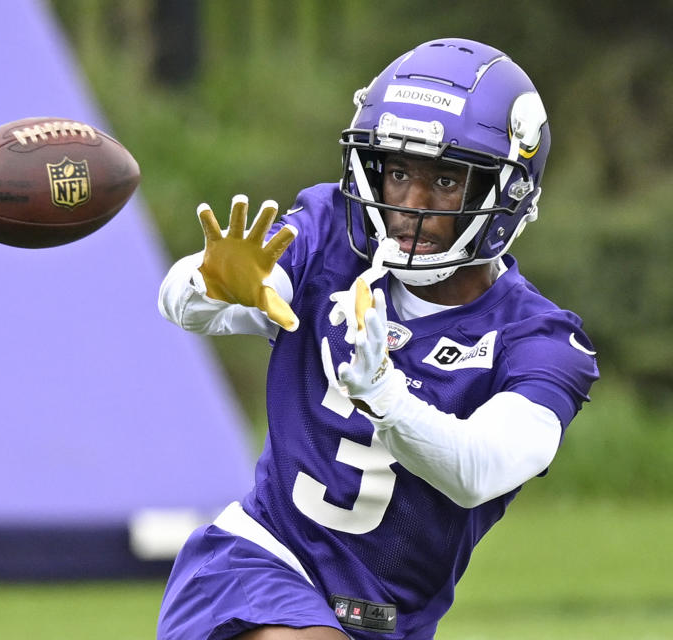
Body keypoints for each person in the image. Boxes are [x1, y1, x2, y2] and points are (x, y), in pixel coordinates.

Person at [155, 38, 599, 640]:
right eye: (396, 172)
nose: (409, 206)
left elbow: (479, 470)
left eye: (444, 179)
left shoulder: (539, 341)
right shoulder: (328, 236)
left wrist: (387, 396)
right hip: (257, 565)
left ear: (508, 192)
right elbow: (185, 304)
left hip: (384, 621)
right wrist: (211, 280)